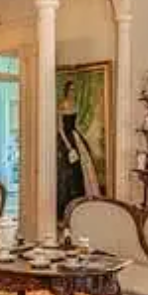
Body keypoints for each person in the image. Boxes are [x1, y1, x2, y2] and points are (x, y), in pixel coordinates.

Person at [57, 80, 102, 218]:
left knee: (81, 168)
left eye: (74, 90)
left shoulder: (75, 105)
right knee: (66, 172)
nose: (73, 92)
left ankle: (82, 200)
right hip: (66, 138)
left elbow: (74, 124)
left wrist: (78, 138)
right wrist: (68, 145)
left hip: (75, 135)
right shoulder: (62, 104)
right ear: (66, 91)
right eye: (71, 90)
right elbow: (60, 127)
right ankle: (65, 205)